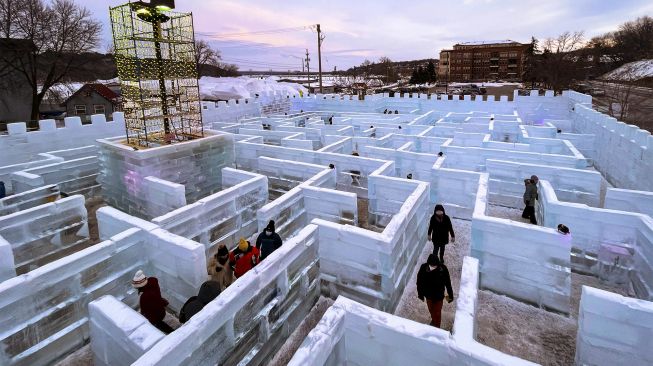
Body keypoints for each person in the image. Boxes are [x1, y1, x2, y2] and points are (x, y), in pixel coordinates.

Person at [416, 254, 454, 328]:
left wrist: (450, 295)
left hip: (439, 296)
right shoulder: (423, 267)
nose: (433, 267)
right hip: (428, 295)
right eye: (432, 266)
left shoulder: (443, 269)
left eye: (435, 266)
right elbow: (419, 281)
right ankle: (434, 321)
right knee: (431, 310)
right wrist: (420, 294)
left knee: (437, 312)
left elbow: (448, 283)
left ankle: (436, 328)